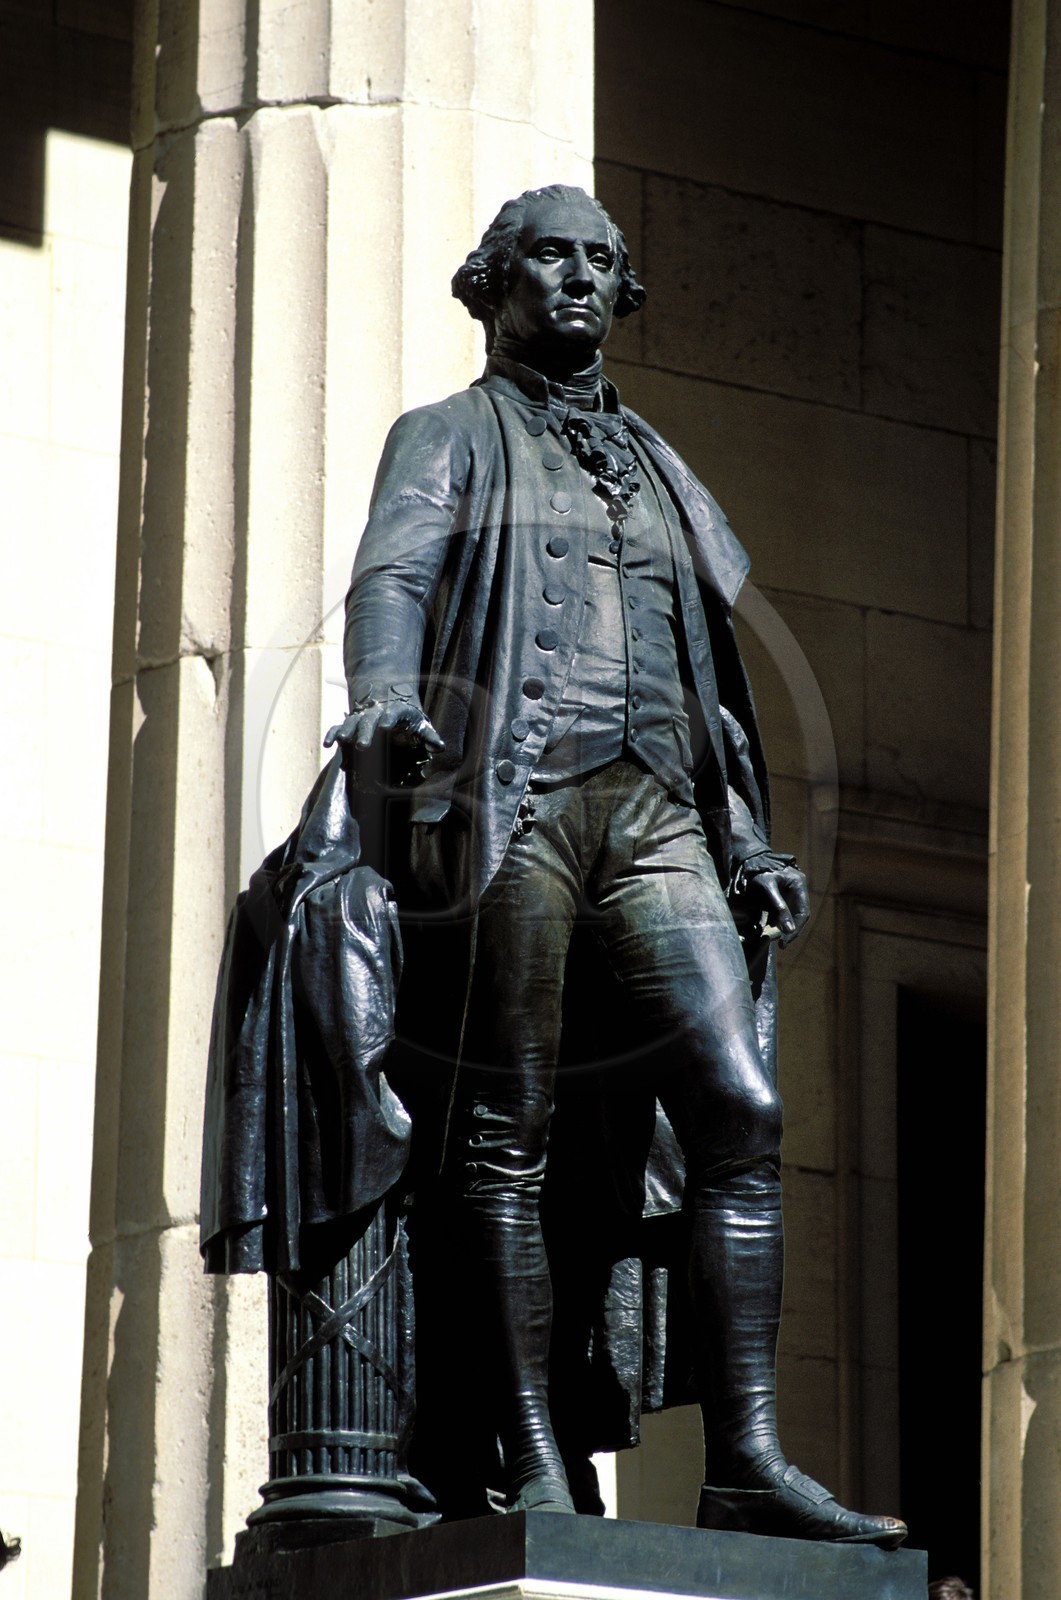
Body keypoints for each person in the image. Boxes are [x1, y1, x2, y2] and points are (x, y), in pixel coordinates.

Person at [326, 184, 906, 1548]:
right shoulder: (447, 434)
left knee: (740, 1108)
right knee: (506, 1131)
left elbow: (701, 664)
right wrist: (385, 694)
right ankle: (528, 1453)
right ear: (495, 281)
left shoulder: (654, 459)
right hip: (517, 798)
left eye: (600, 258)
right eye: (551, 255)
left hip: (657, 814)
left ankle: (744, 1457)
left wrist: (742, 834)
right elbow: (392, 578)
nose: (579, 277)